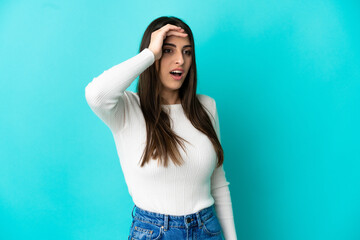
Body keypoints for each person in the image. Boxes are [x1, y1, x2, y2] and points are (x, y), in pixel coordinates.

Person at [85, 16, 237, 240]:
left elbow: (218, 182)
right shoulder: (127, 108)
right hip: (154, 232)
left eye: (187, 52)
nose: (180, 60)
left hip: (207, 229)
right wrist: (150, 54)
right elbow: (96, 94)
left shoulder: (206, 107)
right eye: (168, 50)